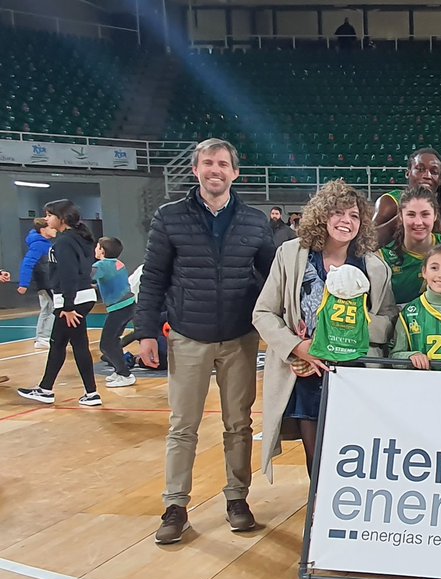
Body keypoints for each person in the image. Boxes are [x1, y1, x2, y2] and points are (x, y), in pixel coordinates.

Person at [134, 138, 276, 545]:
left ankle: (237, 498)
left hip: (239, 336)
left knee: (239, 424)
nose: (215, 170)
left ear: (235, 173)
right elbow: (154, 278)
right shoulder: (169, 217)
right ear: (195, 171)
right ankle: (175, 505)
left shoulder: (253, 221)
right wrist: (146, 331)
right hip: (187, 336)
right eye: (208, 163)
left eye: (223, 164)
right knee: (183, 426)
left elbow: (274, 277)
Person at [254, 180, 394, 478]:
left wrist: (355, 332)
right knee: (316, 456)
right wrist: (297, 347)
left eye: (354, 216)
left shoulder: (374, 266)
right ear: (322, 215)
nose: (347, 221)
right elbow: (263, 313)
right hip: (308, 372)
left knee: (355, 453)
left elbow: (388, 318)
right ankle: (319, 516)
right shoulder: (292, 255)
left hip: (357, 373)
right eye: (339, 213)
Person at [17, 199, 101, 407]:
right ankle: (48, 389)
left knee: (74, 345)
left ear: (61, 218)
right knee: (60, 343)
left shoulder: (64, 241)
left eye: (49, 215)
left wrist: (68, 307)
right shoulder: (79, 238)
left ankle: (90, 393)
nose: (46, 219)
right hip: (81, 297)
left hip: (72, 300)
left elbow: (68, 274)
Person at [380, 187, 441, 306]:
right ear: (401, 217)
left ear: (435, 216)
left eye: (425, 214)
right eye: (411, 215)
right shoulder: (383, 258)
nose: (418, 222)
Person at [374, 148, 441, 246]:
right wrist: (402, 217)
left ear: (440, 179)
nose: (427, 175)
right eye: (420, 169)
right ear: (408, 173)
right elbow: (368, 238)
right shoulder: (391, 201)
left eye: (434, 172)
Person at [93, 237, 137, 388]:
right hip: (129, 305)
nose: (95, 249)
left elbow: (86, 276)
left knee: (106, 345)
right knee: (114, 341)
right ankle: (119, 370)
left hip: (119, 308)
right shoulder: (118, 263)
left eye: (97, 247)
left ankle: (125, 374)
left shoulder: (101, 265)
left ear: (102, 251)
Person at [16, 216, 56, 348]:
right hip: (46, 282)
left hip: (48, 282)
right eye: (51, 227)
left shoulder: (45, 243)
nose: (54, 229)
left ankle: (42, 338)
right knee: (53, 308)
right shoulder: (39, 245)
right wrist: (24, 284)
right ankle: (44, 337)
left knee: (47, 309)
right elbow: (27, 264)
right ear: (43, 230)